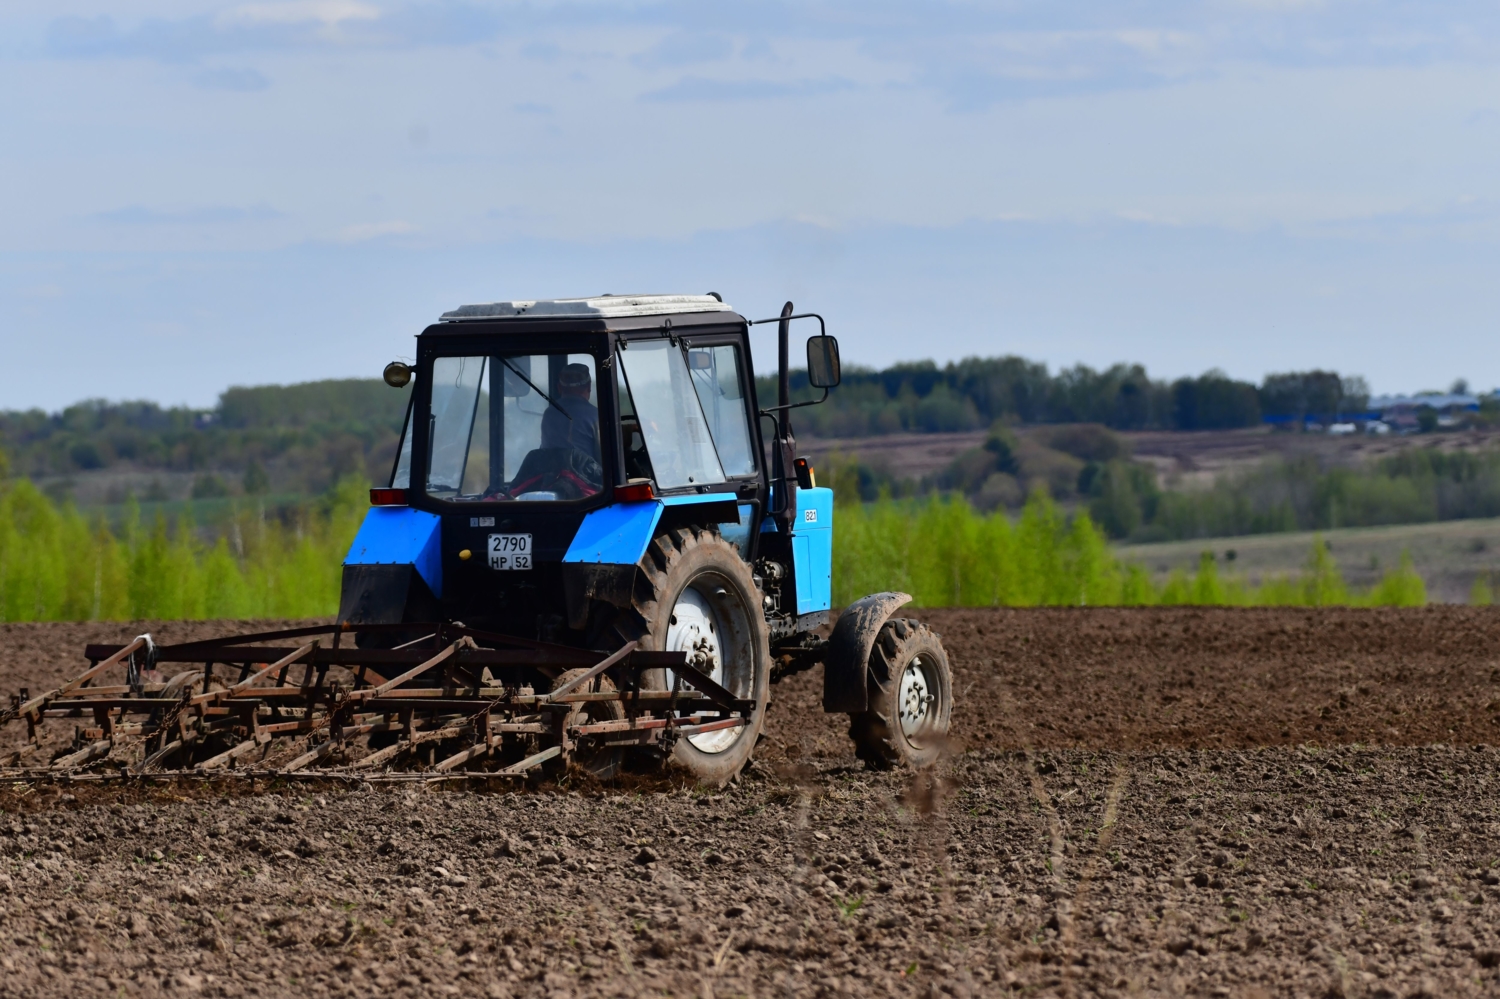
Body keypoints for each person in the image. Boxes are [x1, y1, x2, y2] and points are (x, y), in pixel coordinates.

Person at [540, 362, 600, 460]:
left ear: (559, 388)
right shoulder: (596, 416)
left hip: (552, 474)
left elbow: (544, 451)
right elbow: (606, 459)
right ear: (589, 387)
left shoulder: (549, 413)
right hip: (587, 475)